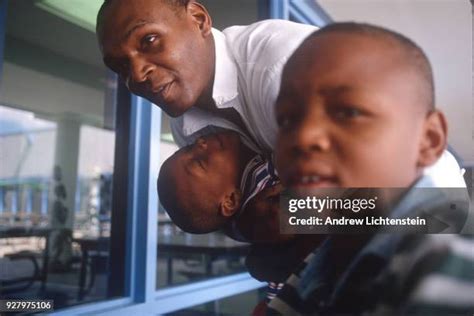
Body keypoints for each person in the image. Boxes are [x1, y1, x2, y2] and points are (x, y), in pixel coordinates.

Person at [267, 22, 474, 315]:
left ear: (429, 140)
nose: (303, 136)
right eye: (287, 119)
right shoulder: (324, 258)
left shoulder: (450, 247)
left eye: (348, 112)